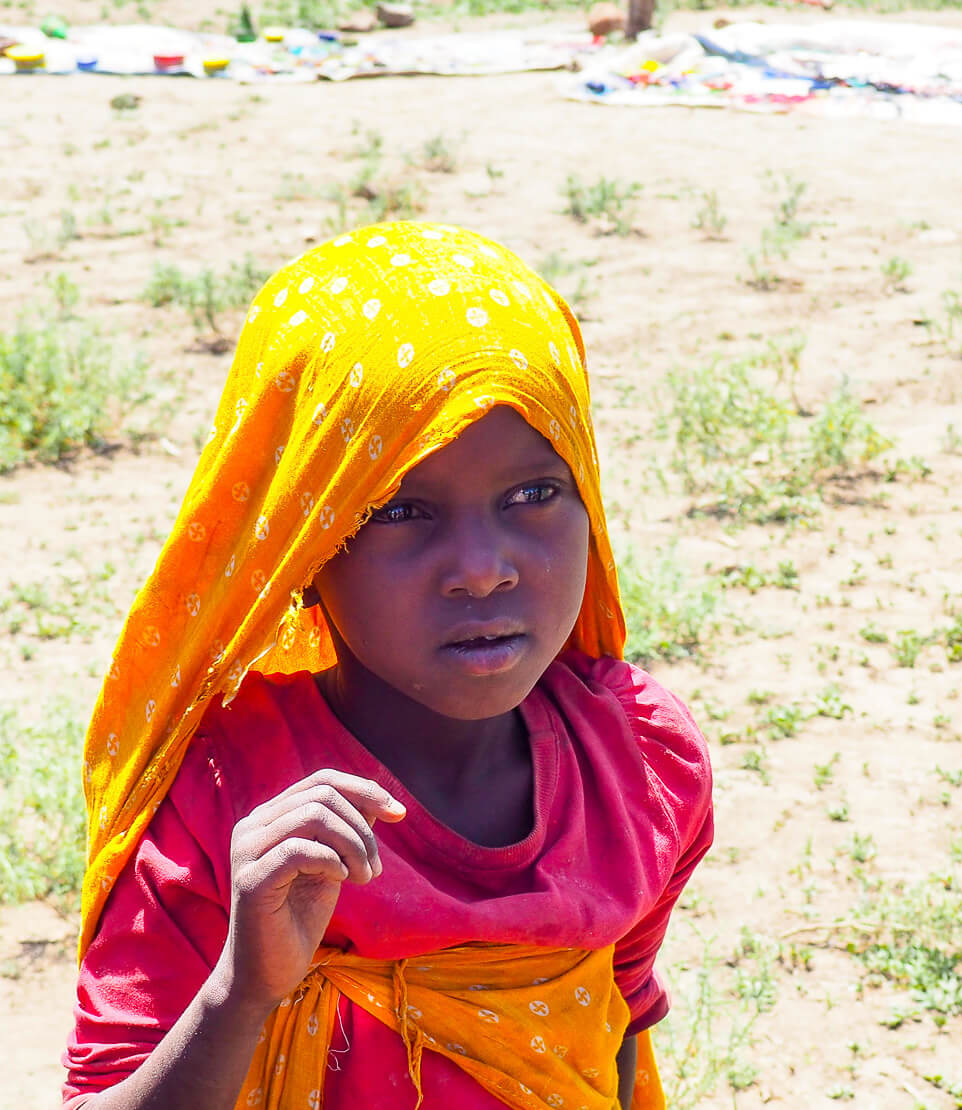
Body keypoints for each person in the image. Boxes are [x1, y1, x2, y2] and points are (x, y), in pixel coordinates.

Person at [64, 222, 714, 1110]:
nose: (484, 567)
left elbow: (617, 1027)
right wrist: (241, 991)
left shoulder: (638, 764)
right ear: (303, 551)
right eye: (401, 510)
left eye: (533, 494)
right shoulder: (224, 801)